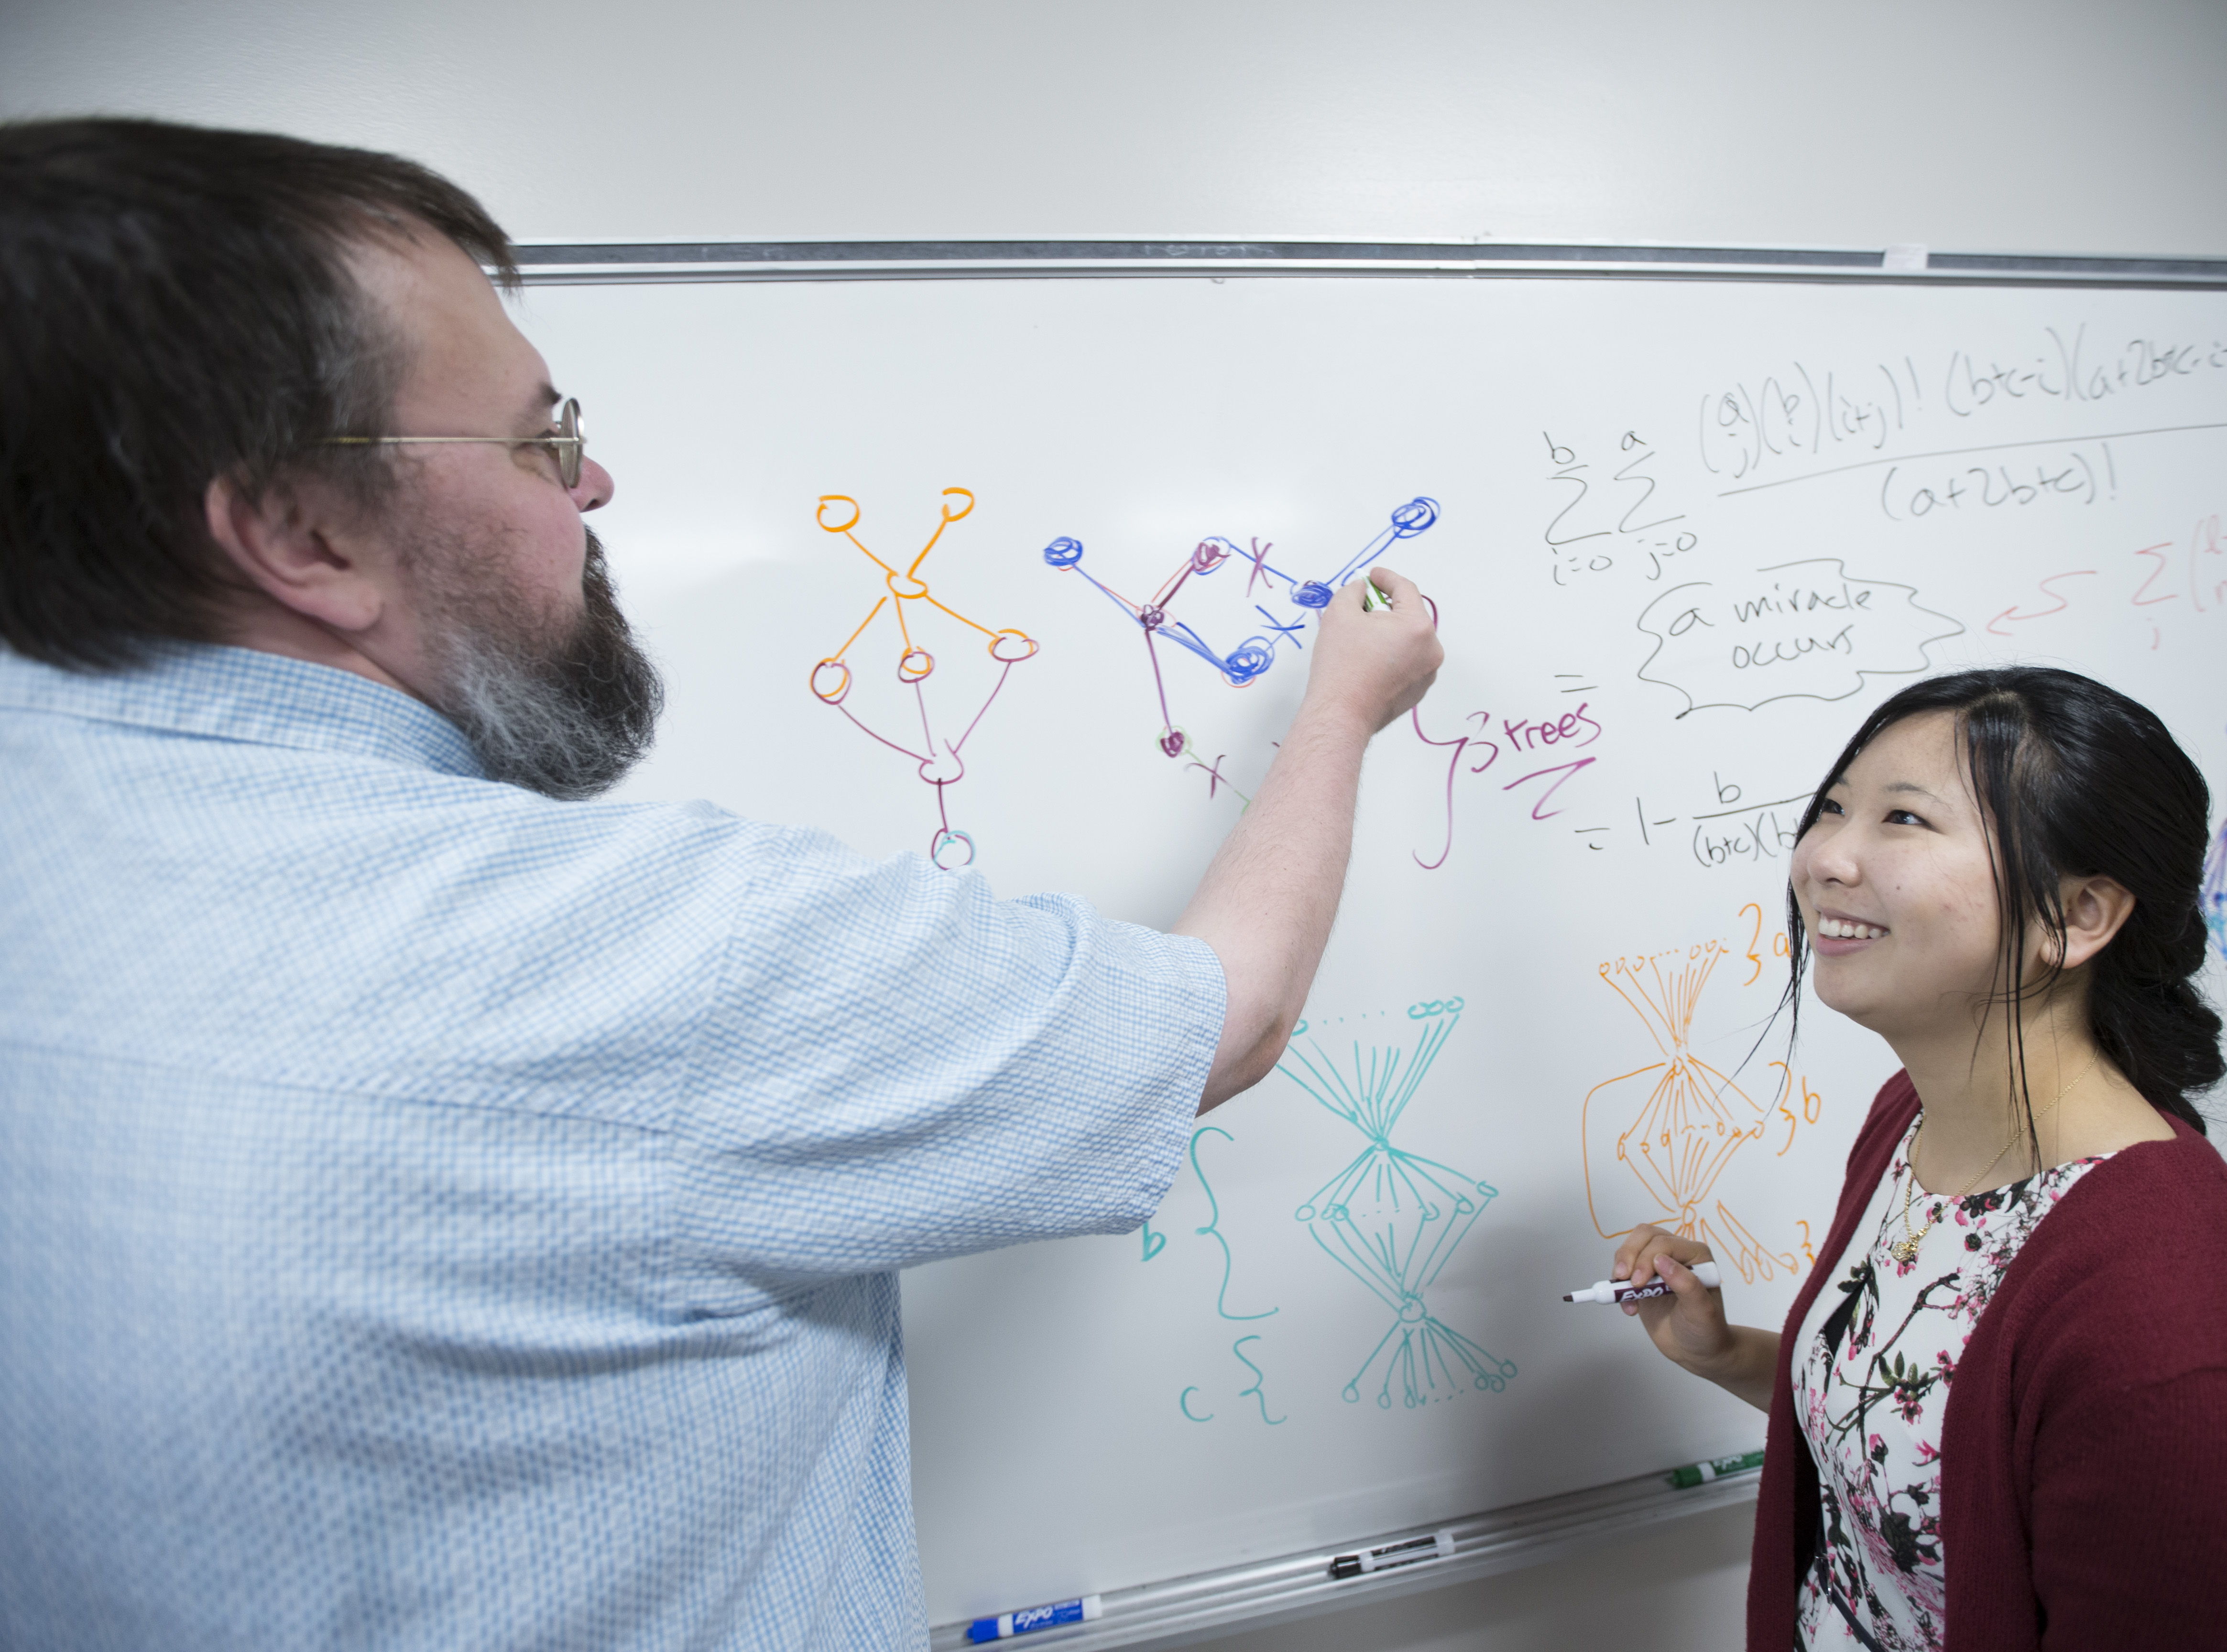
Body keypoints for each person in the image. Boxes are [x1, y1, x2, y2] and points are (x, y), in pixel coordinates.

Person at [0, 120, 1440, 1650]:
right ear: (299, 531)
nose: (597, 479)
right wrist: (1343, 706)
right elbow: (1225, 1020)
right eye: (539, 441)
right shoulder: (611, 957)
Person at [1610, 668, 2227, 1650]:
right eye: (1834, 808)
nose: (1824, 858)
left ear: (2077, 917)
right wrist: (1729, 1356)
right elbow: (1931, 1434)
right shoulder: (1913, 1122)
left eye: (1903, 819)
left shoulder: (2176, 1316)